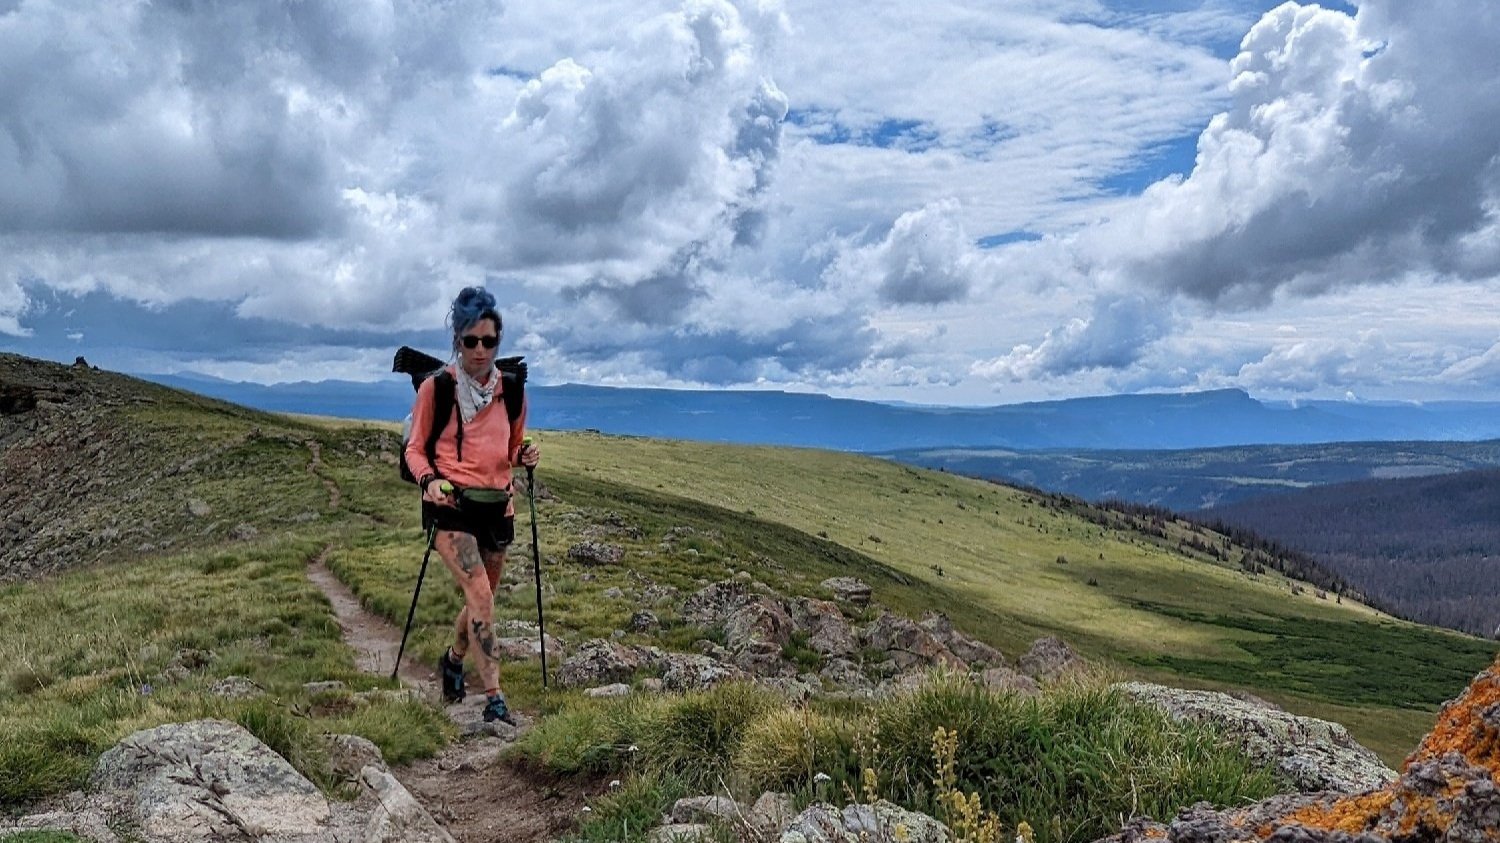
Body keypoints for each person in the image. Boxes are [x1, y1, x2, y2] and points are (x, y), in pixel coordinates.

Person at [403, 286, 539, 724]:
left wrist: (524, 456)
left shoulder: (513, 392)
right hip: (451, 507)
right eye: (470, 341)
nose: (480, 351)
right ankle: (495, 699)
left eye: (489, 342)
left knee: (483, 598)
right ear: (457, 340)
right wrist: (429, 481)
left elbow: (511, 447)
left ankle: (453, 659)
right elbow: (415, 449)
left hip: (498, 507)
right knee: (480, 593)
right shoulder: (436, 390)